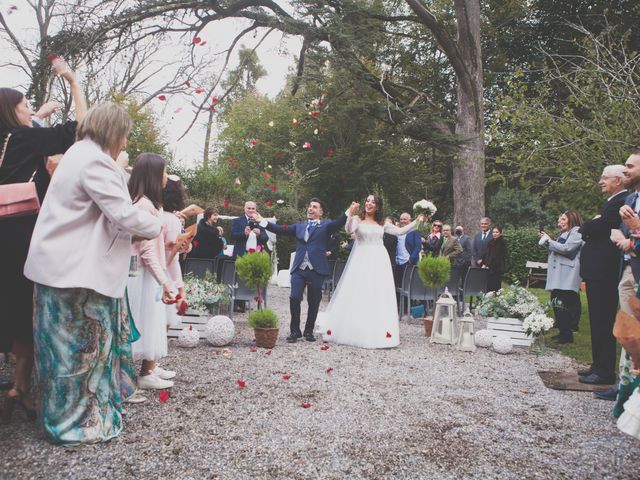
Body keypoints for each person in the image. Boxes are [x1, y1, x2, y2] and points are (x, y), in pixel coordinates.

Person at [22, 102, 161, 445]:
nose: (125, 144)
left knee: (61, 352)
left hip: (59, 269)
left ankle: (59, 415)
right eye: (124, 136)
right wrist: (157, 225)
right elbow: (123, 215)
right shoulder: (95, 161)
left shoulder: (75, 154)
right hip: (75, 274)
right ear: (113, 131)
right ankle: (76, 423)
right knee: (79, 354)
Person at [0, 59, 87, 425]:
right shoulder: (22, 138)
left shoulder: (13, 139)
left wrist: (36, 116)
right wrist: (73, 82)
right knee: (25, 309)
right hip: (20, 233)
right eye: (24, 107)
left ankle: (20, 386)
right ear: (11, 111)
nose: (28, 112)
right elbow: (81, 127)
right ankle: (22, 387)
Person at [315, 194, 425, 349]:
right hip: (362, 259)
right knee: (360, 292)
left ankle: (378, 329)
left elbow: (400, 231)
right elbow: (348, 229)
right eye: (367, 201)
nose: (369, 203)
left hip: (380, 260)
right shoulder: (357, 220)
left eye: (373, 202)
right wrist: (350, 213)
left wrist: (417, 221)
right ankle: (356, 329)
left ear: (378, 206)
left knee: (378, 293)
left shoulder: (382, 223)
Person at [253, 198, 350, 342]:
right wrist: (262, 221)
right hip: (299, 268)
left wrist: (348, 212)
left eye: (314, 207)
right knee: (294, 297)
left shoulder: (326, 225)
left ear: (320, 212)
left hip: (316, 269)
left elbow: (338, 223)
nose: (310, 209)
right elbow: (280, 229)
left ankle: (309, 331)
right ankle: (295, 331)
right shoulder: (299, 226)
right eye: (310, 206)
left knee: (314, 301)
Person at [127, 153, 176, 391]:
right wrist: (165, 281)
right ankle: (144, 373)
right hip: (143, 274)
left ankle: (150, 368)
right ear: (154, 175)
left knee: (151, 322)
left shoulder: (150, 203)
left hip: (148, 272)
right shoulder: (144, 205)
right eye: (164, 171)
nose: (167, 176)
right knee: (145, 322)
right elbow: (146, 251)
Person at [578, 165, 626, 385]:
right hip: (597, 271)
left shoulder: (620, 201)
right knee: (597, 320)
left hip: (604, 271)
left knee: (603, 321)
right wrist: (593, 224)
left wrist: (589, 225)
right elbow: (596, 227)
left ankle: (605, 370)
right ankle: (597, 365)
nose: (600, 181)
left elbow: (601, 227)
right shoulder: (610, 203)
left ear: (618, 180)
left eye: (605, 178)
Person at [539, 210, 583, 344]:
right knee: (557, 301)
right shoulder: (563, 234)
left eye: (563, 219)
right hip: (559, 273)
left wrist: (549, 241)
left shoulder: (577, 231)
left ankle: (567, 334)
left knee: (563, 302)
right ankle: (563, 332)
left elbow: (567, 249)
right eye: (559, 220)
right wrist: (549, 241)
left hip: (567, 274)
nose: (560, 222)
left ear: (572, 219)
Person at [162, 177, 191, 329]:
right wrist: (180, 288)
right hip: (164, 276)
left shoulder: (154, 215)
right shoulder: (173, 221)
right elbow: (171, 258)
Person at [394, 212, 422, 289]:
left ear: (410, 220)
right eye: (401, 219)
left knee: (408, 285)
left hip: (408, 261)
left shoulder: (414, 231)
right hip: (398, 261)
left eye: (405, 219)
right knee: (398, 284)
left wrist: (411, 259)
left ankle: (408, 301)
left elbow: (418, 246)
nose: (402, 221)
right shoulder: (398, 231)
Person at [481, 227, 507, 292]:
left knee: (495, 287)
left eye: (497, 232)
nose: (495, 234)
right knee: (488, 286)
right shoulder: (490, 242)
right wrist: (484, 263)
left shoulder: (502, 243)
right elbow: (486, 254)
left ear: (500, 233)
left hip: (496, 268)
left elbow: (499, 257)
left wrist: (489, 265)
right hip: (488, 268)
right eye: (493, 232)